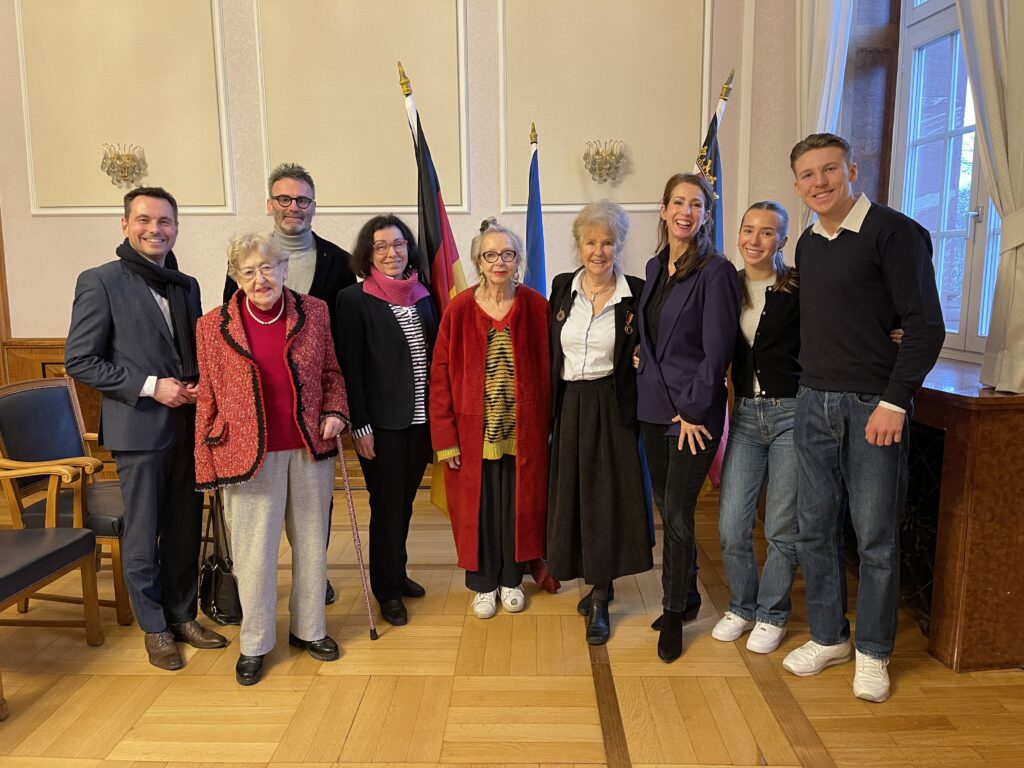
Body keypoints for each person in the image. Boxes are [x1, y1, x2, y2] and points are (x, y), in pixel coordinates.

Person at [782, 133, 944, 702]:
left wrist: (895, 400)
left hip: (873, 406)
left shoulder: (895, 232)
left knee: (875, 537)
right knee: (814, 528)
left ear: (853, 168)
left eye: (829, 169)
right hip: (812, 403)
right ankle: (830, 637)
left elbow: (924, 324)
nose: (819, 182)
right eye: (807, 174)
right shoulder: (807, 243)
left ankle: (874, 652)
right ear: (797, 184)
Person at [65, 186, 228, 671]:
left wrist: (199, 384)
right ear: (125, 224)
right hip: (138, 431)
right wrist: (152, 386)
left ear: (176, 227)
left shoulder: (187, 284)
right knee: (143, 533)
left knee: (183, 528)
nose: (154, 229)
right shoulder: (99, 281)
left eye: (164, 221)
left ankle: (182, 615)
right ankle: (154, 628)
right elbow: (81, 360)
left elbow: (191, 351)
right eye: (144, 220)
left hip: (187, 428)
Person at [195, 232, 349, 686]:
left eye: (268, 268)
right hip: (246, 455)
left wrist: (337, 412)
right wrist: (205, 465)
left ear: (284, 270)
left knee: (310, 545)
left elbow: (332, 373)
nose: (260, 278)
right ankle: (255, 643)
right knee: (253, 556)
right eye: (249, 271)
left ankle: (310, 629)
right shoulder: (211, 325)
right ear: (236, 278)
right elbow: (207, 398)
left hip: (306, 447)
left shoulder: (314, 311)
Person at [223, 163, 356, 606]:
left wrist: (337, 407)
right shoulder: (245, 258)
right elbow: (230, 338)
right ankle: (259, 607)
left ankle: (313, 582)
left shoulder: (338, 261)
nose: (293, 207)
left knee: (312, 517)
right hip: (258, 420)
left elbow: (340, 344)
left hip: (312, 418)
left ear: (313, 206)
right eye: (284, 199)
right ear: (270, 204)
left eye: (302, 200)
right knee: (258, 524)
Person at [636, 173, 741, 662]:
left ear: (705, 215)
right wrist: (640, 355)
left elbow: (718, 351)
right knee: (667, 509)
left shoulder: (715, 271)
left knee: (678, 513)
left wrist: (694, 412)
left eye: (695, 204)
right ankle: (693, 593)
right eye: (677, 201)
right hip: (653, 409)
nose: (685, 211)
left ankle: (674, 611)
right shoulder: (656, 267)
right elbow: (651, 337)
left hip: (693, 415)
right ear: (663, 210)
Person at [429, 219, 551, 619]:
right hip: (471, 434)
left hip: (524, 432)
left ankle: (512, 578)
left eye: (508, 254)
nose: (500, 262)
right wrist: (445, 438)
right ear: (478, 261)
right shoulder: (460, 309)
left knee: (517, 506)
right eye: (490, 255)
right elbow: (441, 376)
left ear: (518, 261)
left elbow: (553, 369)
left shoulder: (536, 305)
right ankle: (482, 584)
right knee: (478, 510)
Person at [547, 200, 653, 645]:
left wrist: (642, 356)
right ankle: (589, 577)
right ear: (578, 245)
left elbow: (656, 342)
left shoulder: (638, 292)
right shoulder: (559, 289)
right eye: (591, 241)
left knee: (608, 499)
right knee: (572, 496)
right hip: (570, 403)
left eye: (607, 242)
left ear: (619, 245)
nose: (598, 250)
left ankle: (602, 592)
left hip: (613, 407)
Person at [335, 215, 437, 627]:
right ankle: (386, 591)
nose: (391, 253)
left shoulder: (424, 296)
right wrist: (359, 426)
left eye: (398, 244)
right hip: (381, 427)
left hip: (420, 423)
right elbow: (351, 369)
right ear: (368, 253)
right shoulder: (355, 300)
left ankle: (397, 572)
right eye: (381, 246)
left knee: (405, 503)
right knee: (386, 507)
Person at [713, 201, 800, 654]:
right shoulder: (727, 287)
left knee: (781, 527)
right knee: (731, 525)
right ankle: (742, 605)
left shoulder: (799, 287)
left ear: (782, 241)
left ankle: (772, 612)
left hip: (792, 415)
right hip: (745, 414)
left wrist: (892, 331)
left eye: (767, 233)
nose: (754, 239)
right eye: (748, 230)